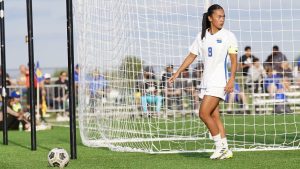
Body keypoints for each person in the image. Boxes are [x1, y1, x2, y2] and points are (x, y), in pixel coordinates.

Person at [168, 4, 237, 159]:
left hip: (219, 82)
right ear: (210, 18)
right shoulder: (201, 36)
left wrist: (232, 79)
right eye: (219, 16)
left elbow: (234, 60)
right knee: (214, 116)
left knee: (203, 113)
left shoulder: (229, 36)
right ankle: (226, 149)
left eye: (223, 16)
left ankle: (220, 147)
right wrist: (177, 72)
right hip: (206, 82)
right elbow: (191, 56)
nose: (222, 19)